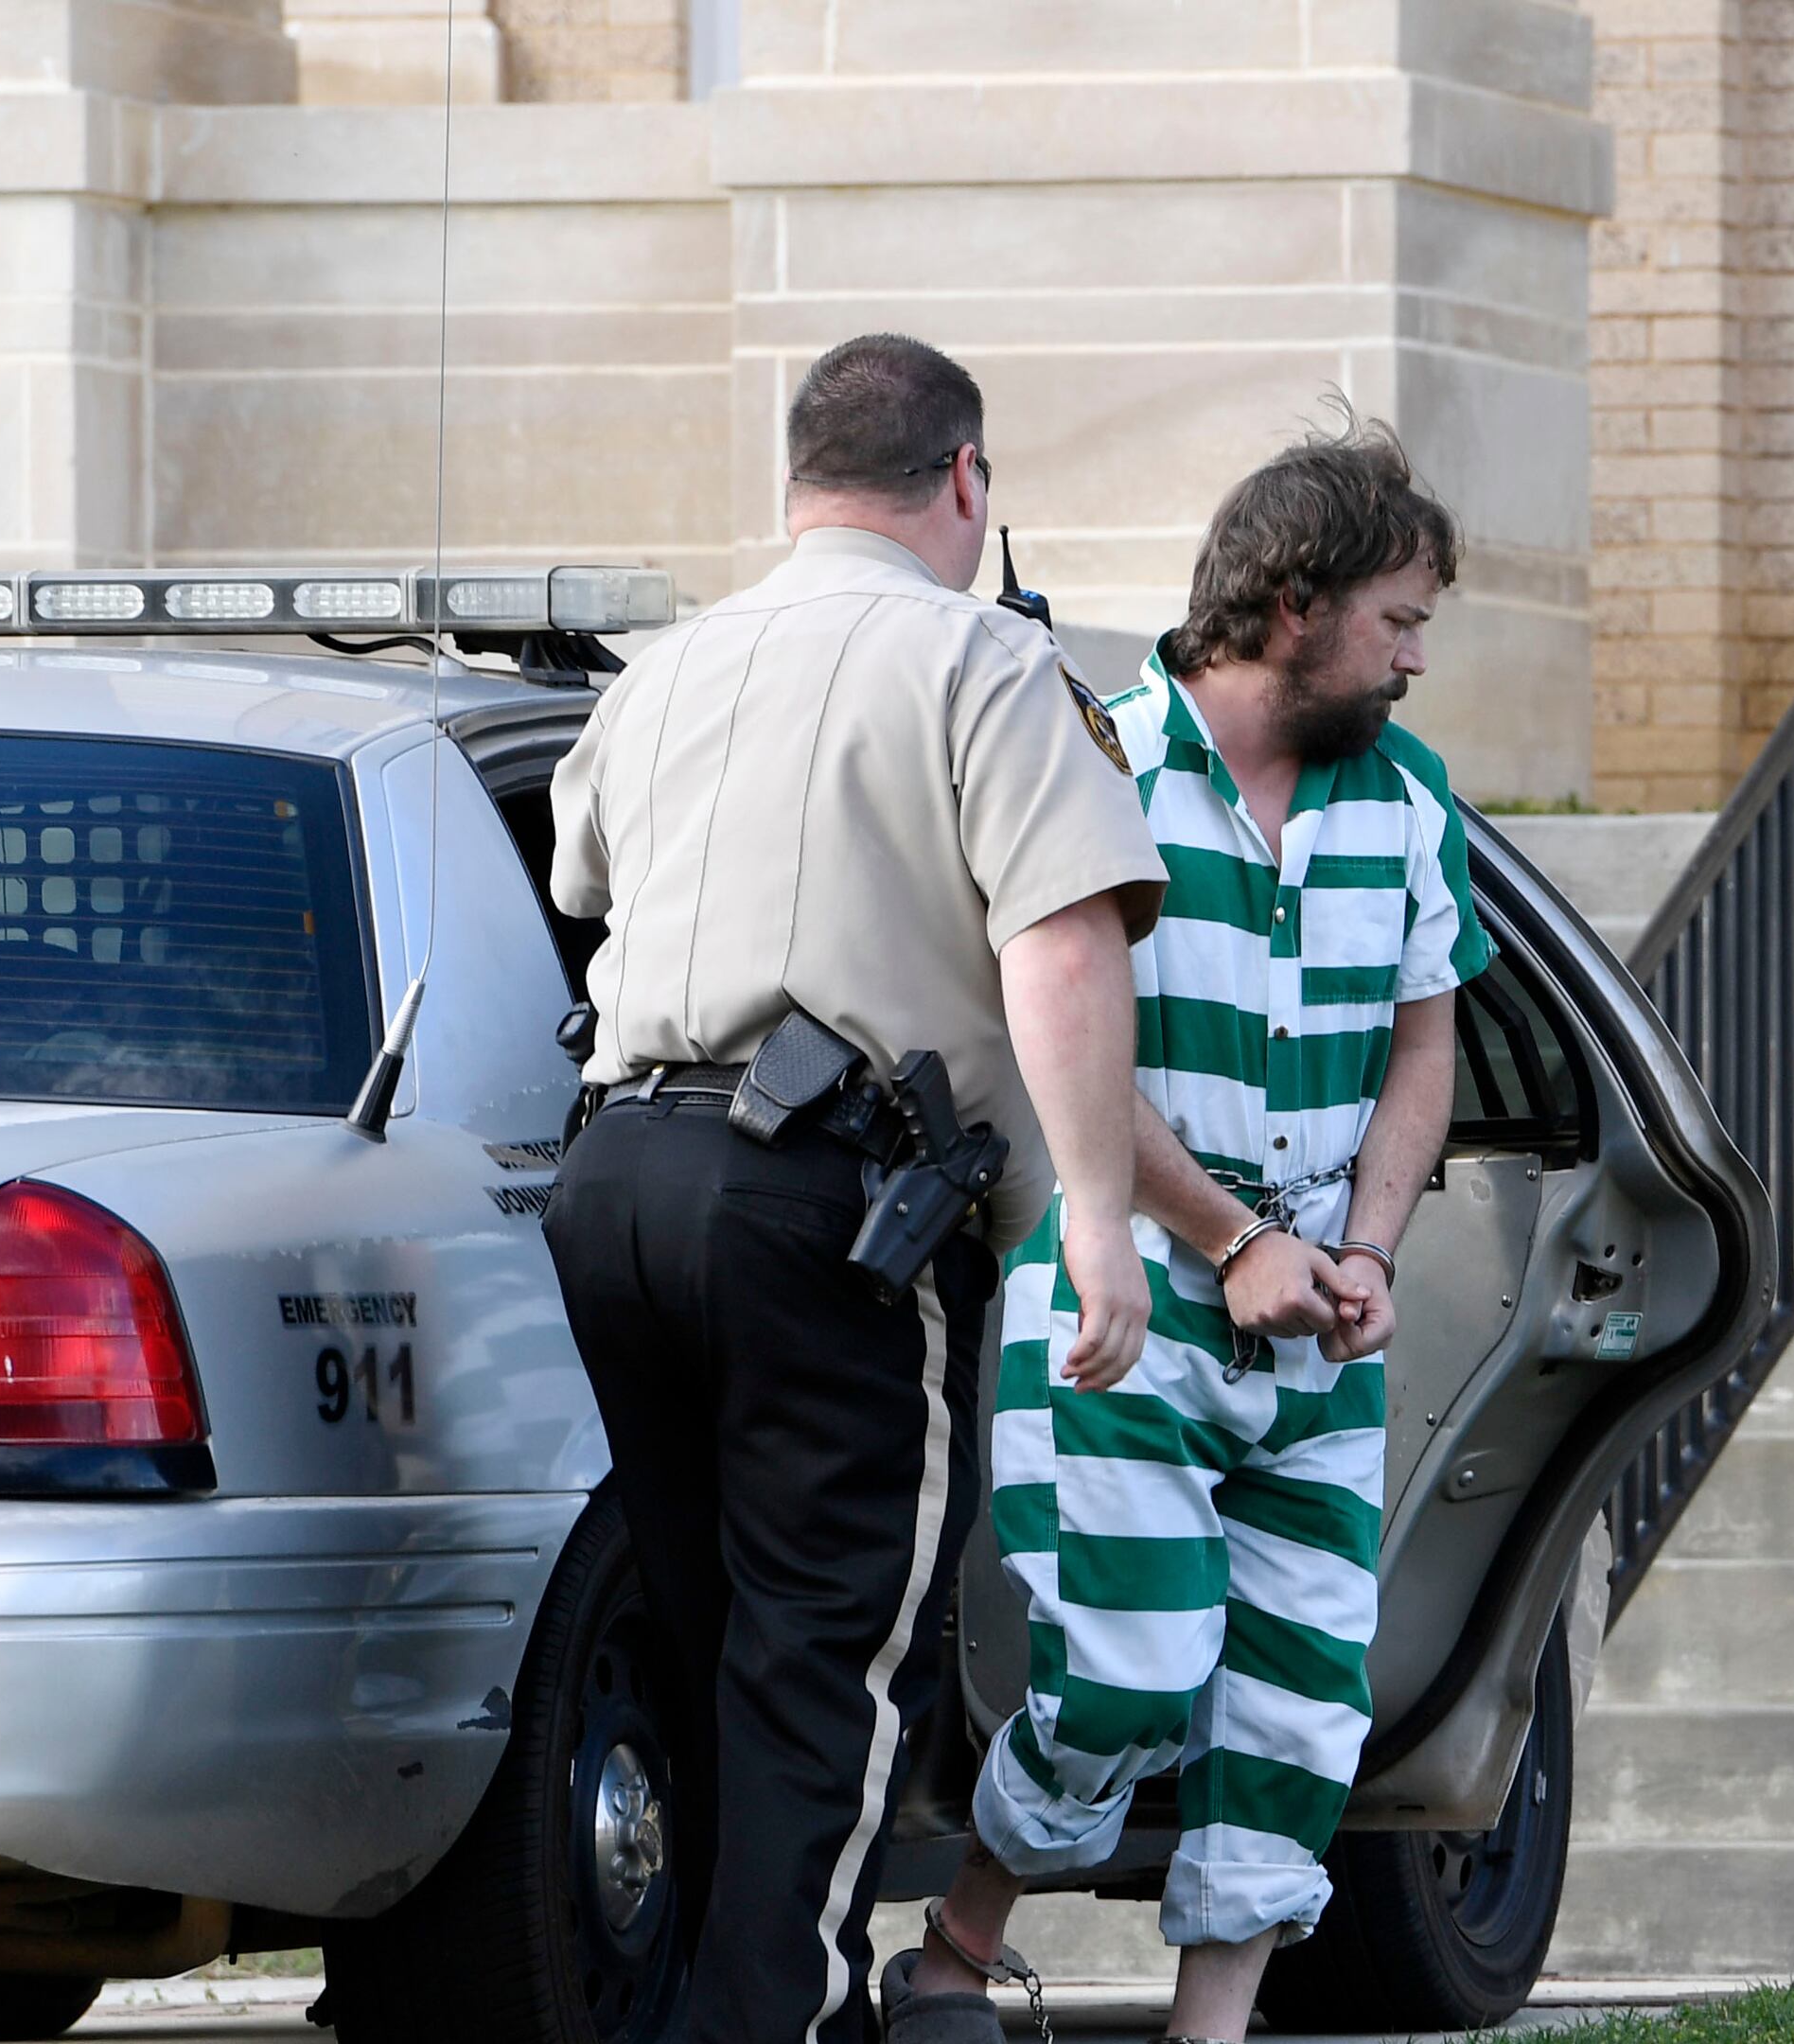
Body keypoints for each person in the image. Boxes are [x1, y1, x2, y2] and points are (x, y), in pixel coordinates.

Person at [541, 331, 1168, 2044]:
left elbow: (583, 880)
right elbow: (1060, 942)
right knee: (825, 1659)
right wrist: (1097, 1221)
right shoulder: (982, 664)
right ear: (966, 479)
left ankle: (692, 2007)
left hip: (618, 1189)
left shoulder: (662, 667)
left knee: (708, 1633)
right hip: (823, 1206)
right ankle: (781, 2025)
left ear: (797, 485)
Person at [888, 416, 1488, 2044]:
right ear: (1295, 606)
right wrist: (1236, 1243)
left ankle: (1206, 2033)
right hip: (1122, 1299)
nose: (1417, 659)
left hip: (1321, 1330)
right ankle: (954, 1952)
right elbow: (1061, 1054)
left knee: (1300, 1721)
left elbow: (1423, 1042)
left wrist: (1365, 1250)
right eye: (1401, 620)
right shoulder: (1103, 765)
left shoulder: (1410, 799)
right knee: (1130, 1680)